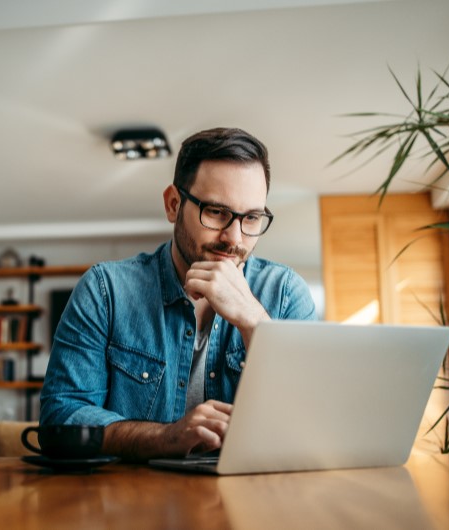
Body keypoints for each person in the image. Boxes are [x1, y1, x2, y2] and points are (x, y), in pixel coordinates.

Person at [40, 127, 316, 460]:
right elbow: (61, 417)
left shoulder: (286, 294)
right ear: (173, 204)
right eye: (216, 212)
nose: (235, 238)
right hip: (130, 503)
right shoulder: (105, 291)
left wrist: (254, 323)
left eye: (252, 218)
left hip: (250, 503)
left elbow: (313, 427)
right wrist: (165, 437)